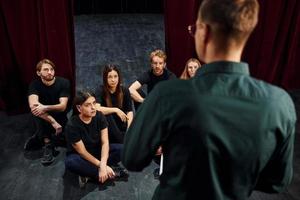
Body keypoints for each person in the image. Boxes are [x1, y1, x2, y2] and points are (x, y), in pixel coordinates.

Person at [122, 0, 296, 200]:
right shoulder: (279, 103)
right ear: (246, 32)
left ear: (203, 32)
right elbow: (278, 181)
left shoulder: (167, 95)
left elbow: (132, 158)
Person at [64, 91, 127, 188]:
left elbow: (105, 143)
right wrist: (102, 166)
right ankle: (109, 172)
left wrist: (102, 164)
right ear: (79, 108)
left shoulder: (99, 116)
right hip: (82, 157)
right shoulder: (72, 125)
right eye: (88, 105)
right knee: (71, 162)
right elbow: (82, 152)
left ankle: (90, 175)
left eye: (94, 103)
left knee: (123, 149)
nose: (93, 107)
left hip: (98, 151)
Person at [25, 58, 70, 165]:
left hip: (60, 115)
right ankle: (48, 144)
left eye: (52, 69)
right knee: (36, 112)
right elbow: (33, 106)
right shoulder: (34, 85)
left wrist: (44, 107)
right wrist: (53, 122)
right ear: (38, 72)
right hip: (44, 118)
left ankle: (50, 137)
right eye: (46, 70)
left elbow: (63, 106)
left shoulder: (64, 82)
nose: (50, 72)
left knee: (70, 139)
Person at [95, 64, 133, 144]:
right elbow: (97, 108)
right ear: (105, 78)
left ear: (119, 77)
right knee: (107, 114)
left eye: (115, 76)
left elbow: (129, 111)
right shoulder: (100, 90)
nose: (113, 80)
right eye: (110, 77)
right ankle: (123, 142)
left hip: (121, 126)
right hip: (107, 128)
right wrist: (115, 110)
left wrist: (129, 129)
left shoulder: (125, 90)